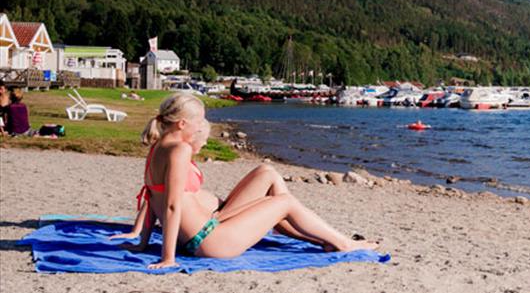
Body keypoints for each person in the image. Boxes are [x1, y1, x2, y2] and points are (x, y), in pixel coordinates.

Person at [137, 93, 375, 270]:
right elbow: (170, 205)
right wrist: (168, 257)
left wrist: (142, 243)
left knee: (267, 175)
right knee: (285, 202)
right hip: (210, 240)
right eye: (199, 122)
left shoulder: (158, 148)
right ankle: (344, 243)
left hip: (201, 236)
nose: (202, 127)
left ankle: (323, 239)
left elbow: (151, 198)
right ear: (182, 123)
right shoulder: (179, 150)